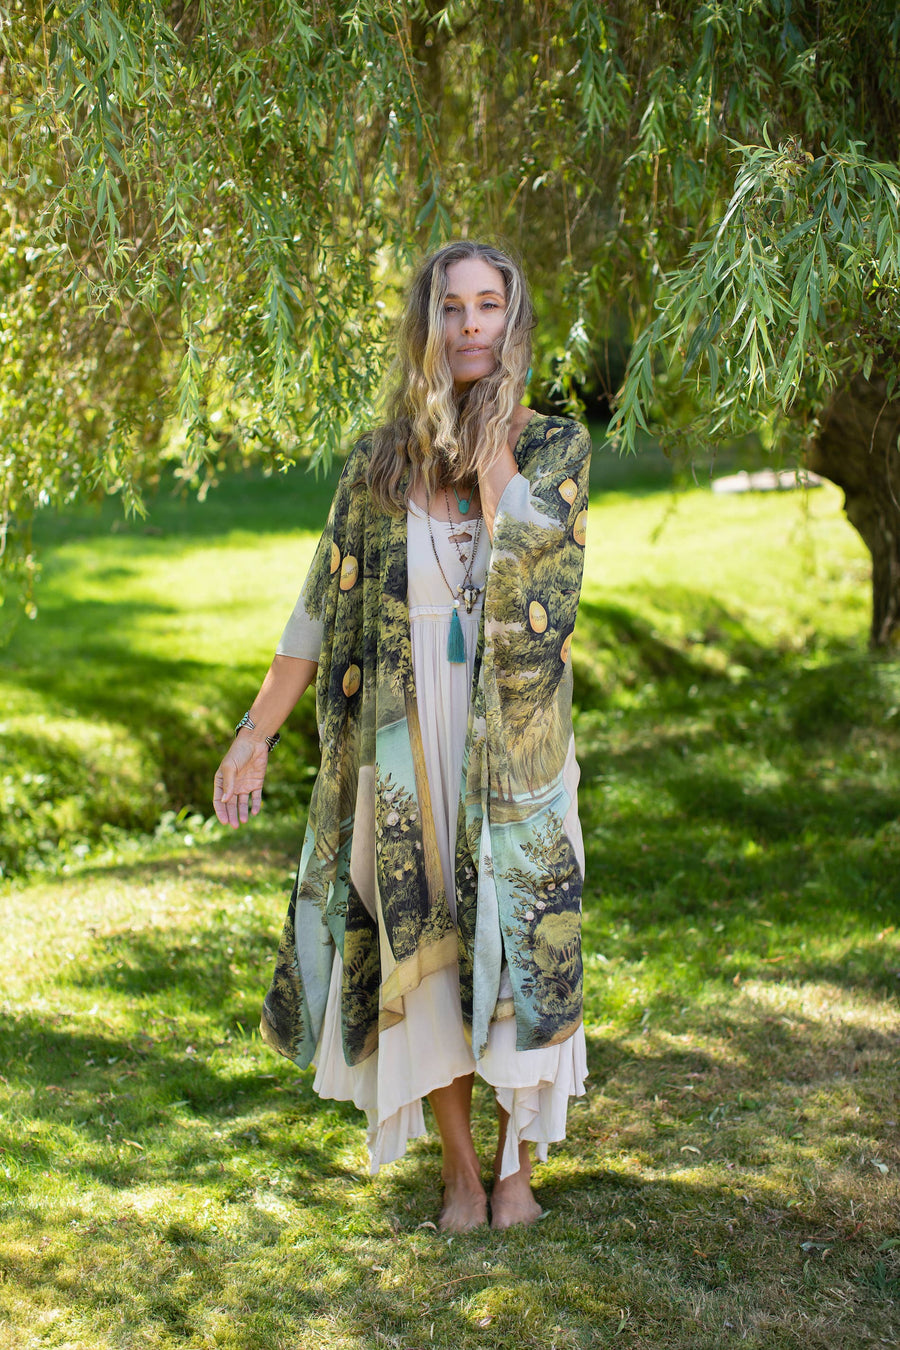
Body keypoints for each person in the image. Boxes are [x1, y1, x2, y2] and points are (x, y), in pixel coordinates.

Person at [213, 240, 592, 1232]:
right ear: (427, 324)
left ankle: (516, 1168)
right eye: (452, 308)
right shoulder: (378, 464)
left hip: (515, 749)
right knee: (423, 954)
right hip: (403, 743)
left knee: (518, 942)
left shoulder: (556, 448)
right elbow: (314, 614)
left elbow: (538, 566)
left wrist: (490, 430)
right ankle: (461, 1173)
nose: (470, 326)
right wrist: (255, 733)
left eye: (489, 306)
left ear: (513, 321)